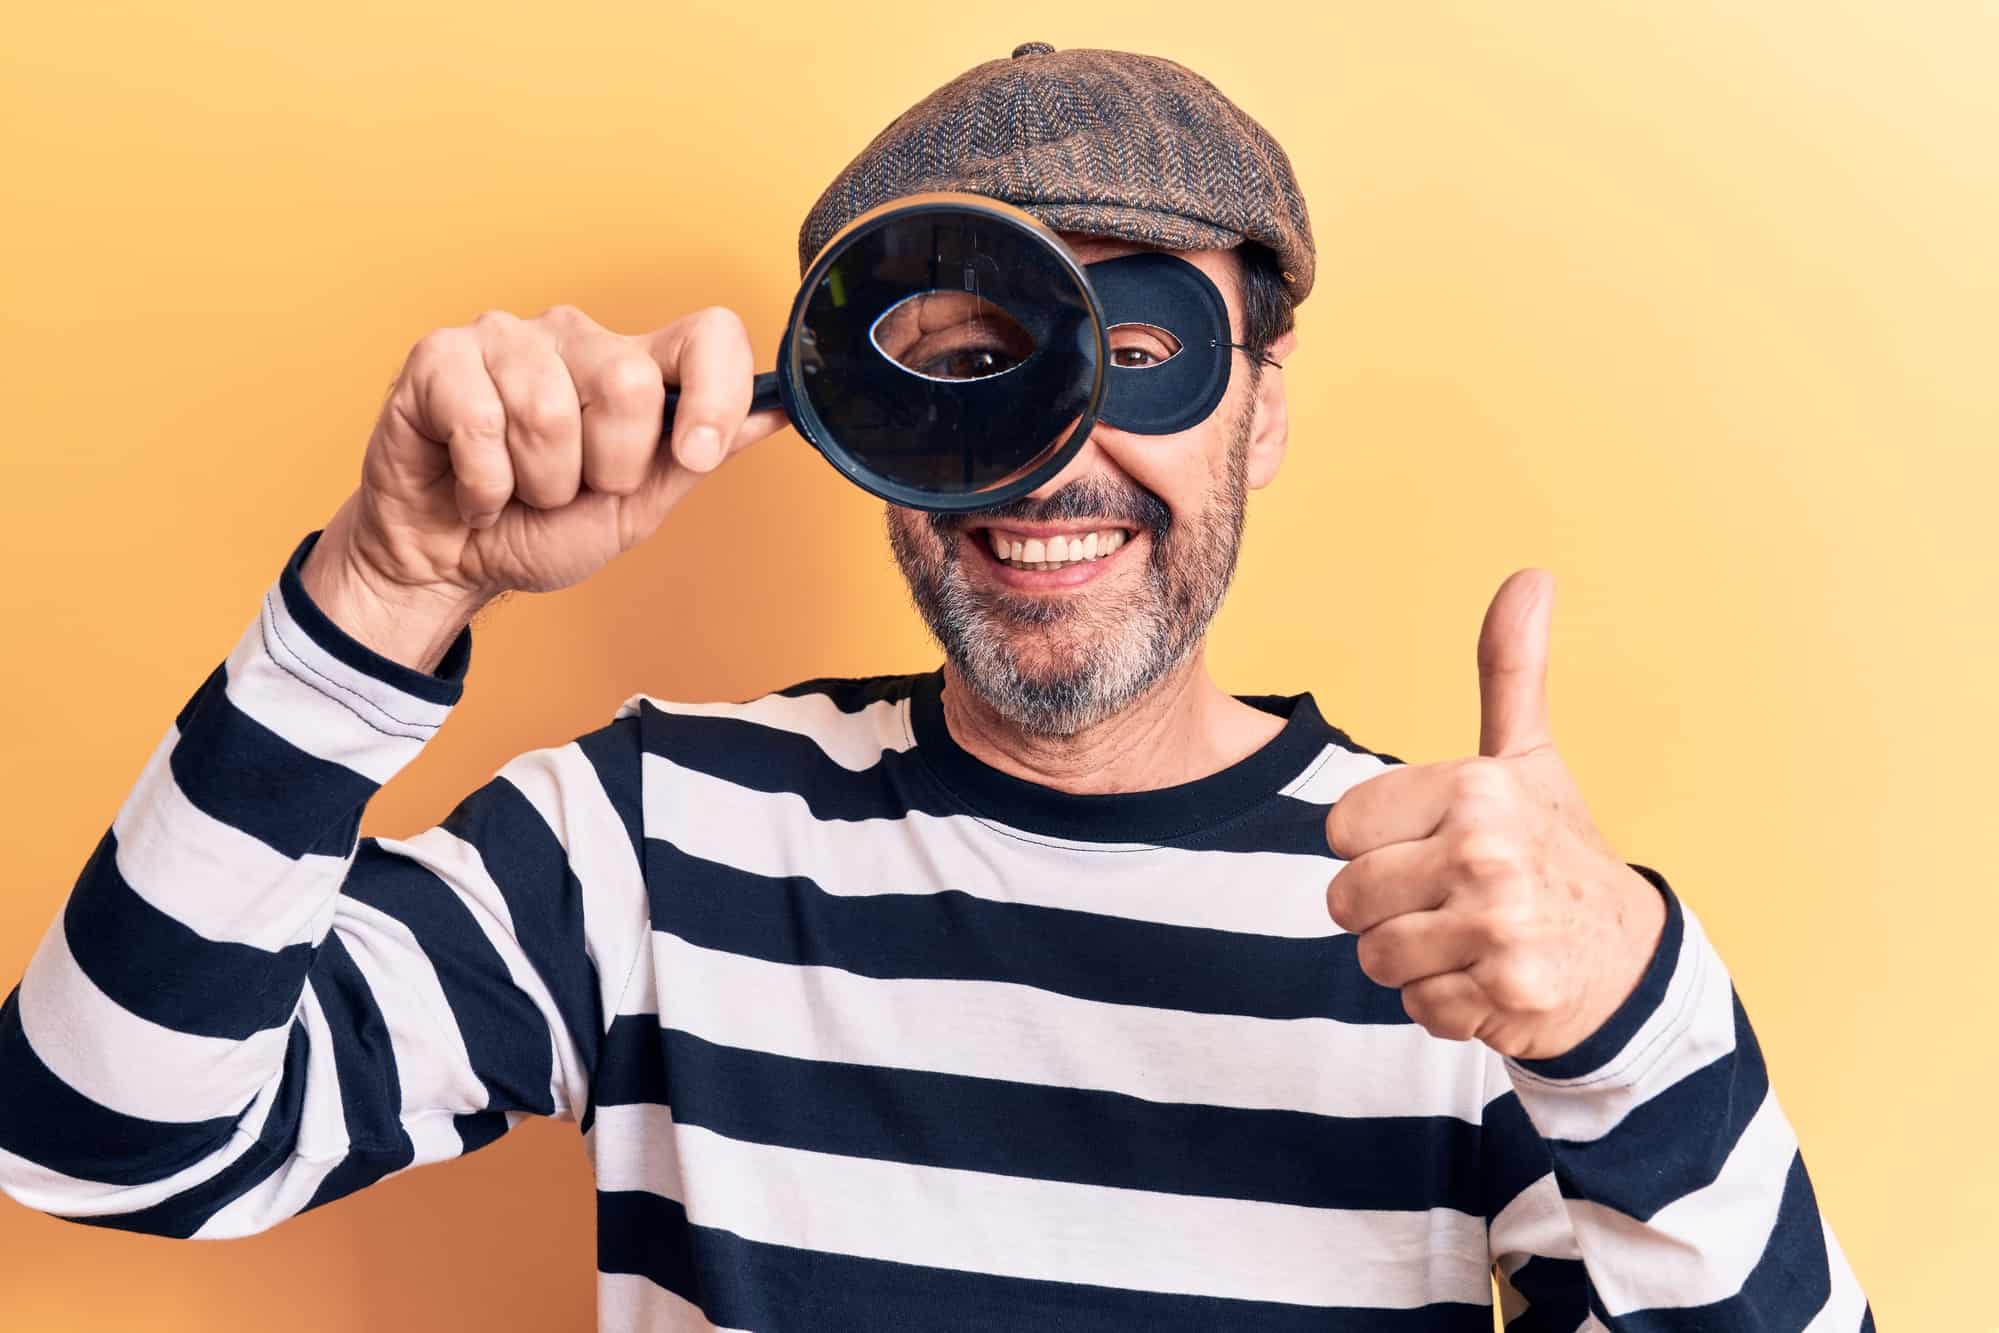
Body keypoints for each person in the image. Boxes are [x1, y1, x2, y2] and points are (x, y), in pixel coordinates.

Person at [0, 41, 1870, 1332]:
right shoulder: (656, 841)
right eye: (963, 360)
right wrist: (387, 581)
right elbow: (97, 1136)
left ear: (1266, 403)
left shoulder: (1463, 924)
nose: (1052, 460)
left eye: (1137, 348)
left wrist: (1630, 1010)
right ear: (852, 418)